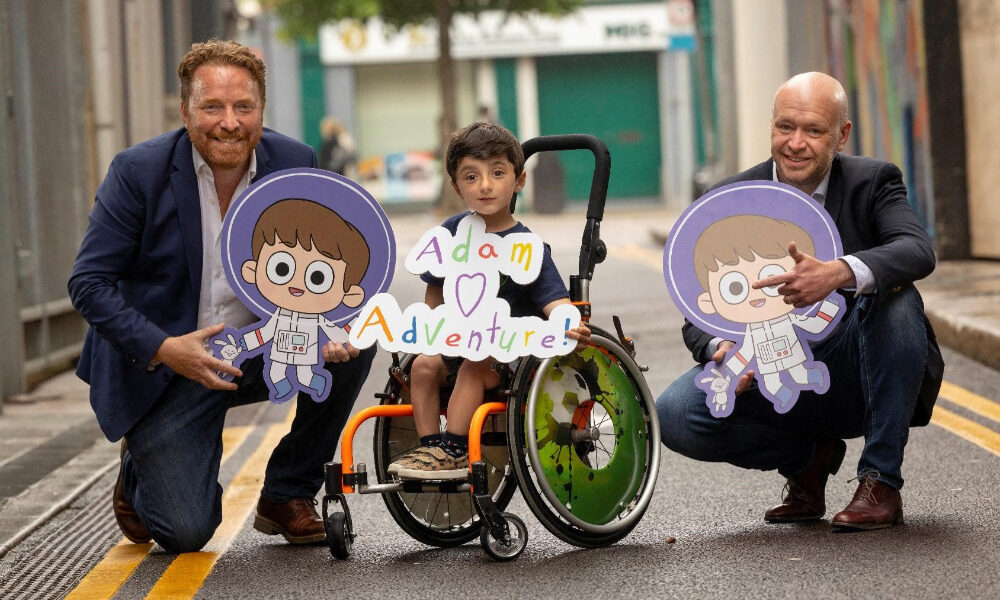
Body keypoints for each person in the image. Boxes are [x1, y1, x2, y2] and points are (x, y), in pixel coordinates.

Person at [68, 40, 376, 553]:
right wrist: (165, 348)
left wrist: (329, 322)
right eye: (212, 107)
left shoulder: (295, 162)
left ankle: (288, 491)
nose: (229, 122)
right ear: (186, 111)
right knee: (185, 531)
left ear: (262, 110)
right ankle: (140, 466)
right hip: (168, 365)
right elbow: (88, 283)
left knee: (354, 342)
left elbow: (325, 264)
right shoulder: (137, 171)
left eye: (243, 107)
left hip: (256, 347)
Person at [656, 72, 943, 531]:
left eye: (813, 130)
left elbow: (916, 250)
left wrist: (838, 272)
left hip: (857, 368)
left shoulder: (872, 181)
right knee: (675, 413)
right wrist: (721, 348)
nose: (795, 143)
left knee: (897, 296)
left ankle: (880, 481)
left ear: (841, 136)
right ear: (771, 125)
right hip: (767, 371)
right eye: (785, 127)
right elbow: (697, 311)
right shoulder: (728, 199)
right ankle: (808, 459)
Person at [386, 122, 590, 480]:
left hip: (507, 358)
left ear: (519, 180)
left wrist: (568, 323)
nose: (485, 185)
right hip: (455, 344)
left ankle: (453, 449)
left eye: (497, 173)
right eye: (471, 177)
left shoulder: (528, 248)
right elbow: (434, 295)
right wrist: (427, 339)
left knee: (476, 361)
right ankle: (431, 448)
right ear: (456, 186)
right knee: (422, 365)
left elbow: (554, 302)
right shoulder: (452, 233)